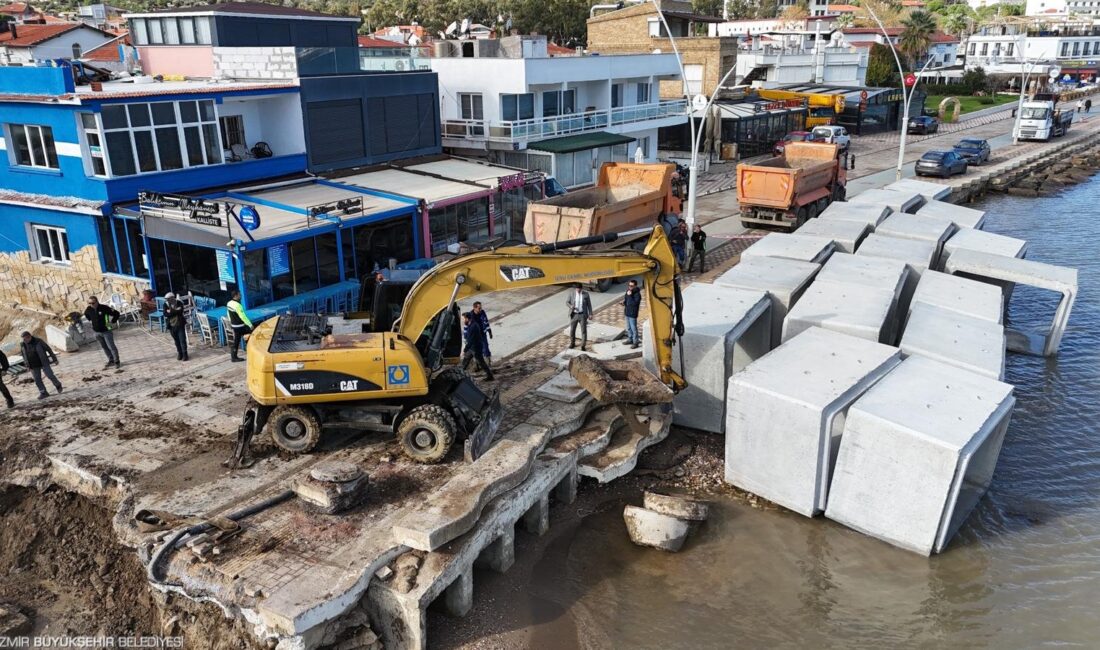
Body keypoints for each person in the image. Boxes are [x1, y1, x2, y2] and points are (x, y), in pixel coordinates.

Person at [20, 331, 61, 400]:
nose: (24, 341)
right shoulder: (22, 344)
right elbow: (24, 355)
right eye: (23, 339)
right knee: (37, 380)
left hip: (43, 362)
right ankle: (43, 392)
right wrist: (27, 365)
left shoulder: (38, 341)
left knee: (50, 375)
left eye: (25, 339)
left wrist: (54, 359)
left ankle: (58, 385)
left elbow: (48, 349)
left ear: (29, 337)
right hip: (33, 365)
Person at [84, 296, 121, 370]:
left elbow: (117, 313)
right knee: (104, 347)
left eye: (93, 303)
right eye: (90, 303)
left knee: (111, 347)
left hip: (106, 331)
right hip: (97, 332)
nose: (91, 305)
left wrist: (112, 322)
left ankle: (117, 361)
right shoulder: (89, 309)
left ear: (97, 302)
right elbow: (86, 314)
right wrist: (91, 320)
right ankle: (111, 360)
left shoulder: (104, 308)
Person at [461, 312, 494, 380]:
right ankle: (460, 374)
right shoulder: (471, 324)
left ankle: (490, 376)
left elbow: (470, 341)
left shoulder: (473, 327)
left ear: (467, 318)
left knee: (481, 362)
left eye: (464, 319)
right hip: (472, 347)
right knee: (465, 360)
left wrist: (464, 350)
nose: (463, 320)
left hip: (476, 348)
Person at [227, 291, 253, 362]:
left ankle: (234, 357)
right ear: (236, 296)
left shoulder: (229, 303)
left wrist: (231, 322)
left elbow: (228, 314)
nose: (241, 296)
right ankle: (251, 350)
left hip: (234, 326)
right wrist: (250, 325)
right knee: (252, 333)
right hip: (240, 326)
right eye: (239, 295)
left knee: (237, 341)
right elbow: (243, 316)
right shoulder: (238, 305)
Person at [566, 283, 592, 351]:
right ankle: (572, 343)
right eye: (577, 289)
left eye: (579, 289)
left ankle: (583, 345)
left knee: (583, 331)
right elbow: (567, 302)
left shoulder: (586, 294)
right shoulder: (572, 293)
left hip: (582, 315)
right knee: (572, 330)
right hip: (574, 315)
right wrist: (571, 306)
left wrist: (590, 314)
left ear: (581, 288)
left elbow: (589, 305)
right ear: (575, 288)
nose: (578, 290)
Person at [163, 292, 189, 361]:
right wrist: (175, 310)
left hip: (180, 324)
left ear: (172, 298)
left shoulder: (179, 303)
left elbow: (180, 311)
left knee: (182, 339)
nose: (167, 300)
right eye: (167, 299)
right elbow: (165, 314)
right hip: (171, 325)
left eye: (168, 299)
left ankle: (185, 354)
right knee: (176, 340)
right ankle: (179, 353)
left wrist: (171, 311)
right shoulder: (165, 305)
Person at [471, 301, 493, 367]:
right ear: (474, 308)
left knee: (486, 348)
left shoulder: (482, 312)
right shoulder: (471, 315)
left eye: (481, 308)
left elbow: (486, 321)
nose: (480, 309)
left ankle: (488, 363)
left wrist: (489, 331)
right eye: (479, 308)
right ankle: (476, 364)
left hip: (482, 334)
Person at [623, 280, 642, 349]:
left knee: (634, 328)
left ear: (635, 286)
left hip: (633, 313)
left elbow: (635, 304)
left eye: (631, 286)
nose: (629, 287)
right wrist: (624, 303)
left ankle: (635, 342)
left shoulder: (637, 294)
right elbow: (626, 300)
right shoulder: (628, 291)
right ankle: (630, 339)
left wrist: (630, 296)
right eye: (629, 285)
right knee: (628, 328)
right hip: (627, 312)